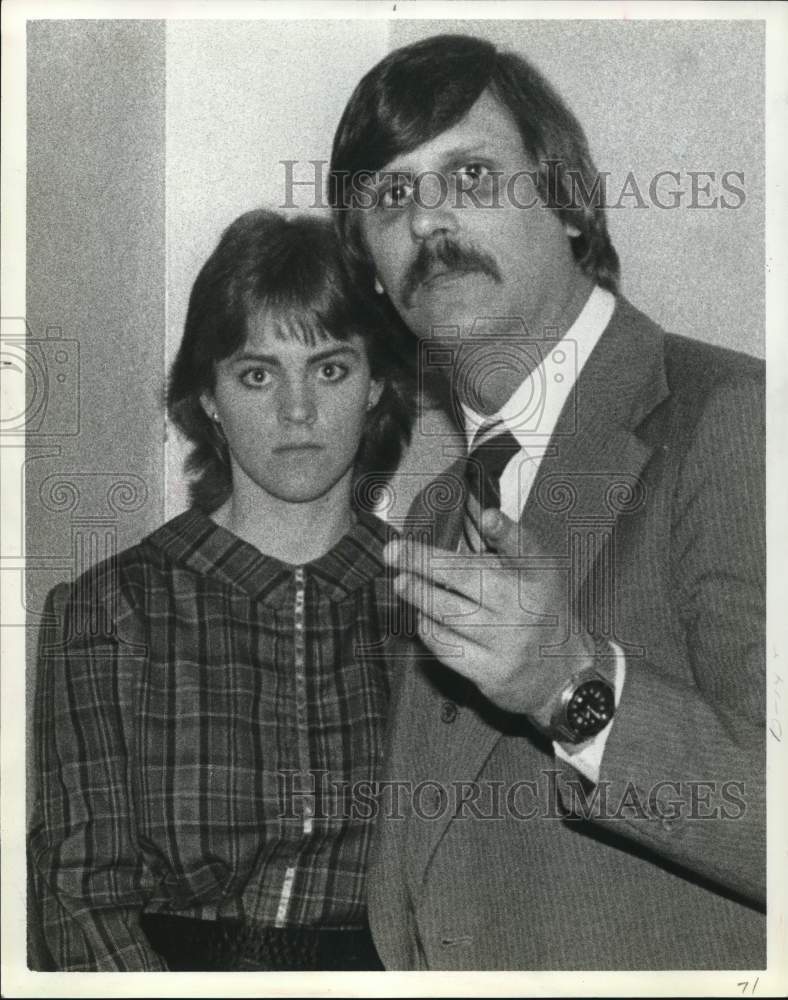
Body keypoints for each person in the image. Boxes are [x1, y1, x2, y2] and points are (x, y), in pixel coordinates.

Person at [329, 33, 766, 969]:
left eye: (472, 175)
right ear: (368, 265)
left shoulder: (736, 421)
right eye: (393, 196)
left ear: (567, 203)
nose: (430, 221)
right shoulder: (442, 507)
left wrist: (571, 687)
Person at [28, 210, 413, 971]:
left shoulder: (439, 605)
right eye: (257, 374)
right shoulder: (109, 611)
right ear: (207, 395)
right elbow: (79, 898)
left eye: (330, 368)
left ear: (376, 387)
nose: (296, 411)